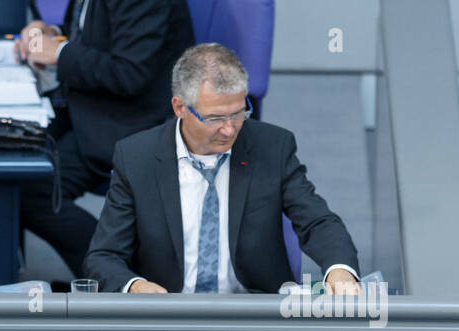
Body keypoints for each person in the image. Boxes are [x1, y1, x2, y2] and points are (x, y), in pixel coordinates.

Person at [83, 43, 362, 295]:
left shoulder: (272, 147)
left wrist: (339, 268)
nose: (230, 129)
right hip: (167, 316)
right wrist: (136, 286)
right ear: (180, 107)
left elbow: (318, 221)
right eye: (215, 118)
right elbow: (103, 256)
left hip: (254, 316)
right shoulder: (136, 157)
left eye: (239, 113)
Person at [15, 0, 194, 278]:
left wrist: (61, 52)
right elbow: (99, 33)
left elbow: (129, 73)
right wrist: (52, 33)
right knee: (7, 157)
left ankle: (116, 275)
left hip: (131, 121)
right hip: (89, 105)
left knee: (26, 190)